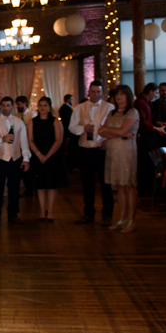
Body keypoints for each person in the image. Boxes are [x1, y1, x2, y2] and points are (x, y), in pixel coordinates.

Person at [68, 81, 116, 226]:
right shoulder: (79, 108)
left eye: (98, 91)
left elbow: (115, 128)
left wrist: (108, 141)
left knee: (105, 184)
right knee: (87, 185)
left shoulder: (110, 108)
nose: (95, 94)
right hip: (85, 150)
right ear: (89, 92)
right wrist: (83, 128)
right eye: (93, 91)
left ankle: (107, 215)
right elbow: (72, 127)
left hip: (102, 150)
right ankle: (88, 214)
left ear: (102, 93)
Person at [98, 85, 139, 233]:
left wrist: (110, 130)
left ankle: (132, 221)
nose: (119, 97)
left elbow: (119, 130)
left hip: (126, 152)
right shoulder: (112, 113)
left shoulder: (132, 112)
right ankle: (122, 219)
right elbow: (100, 131)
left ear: (128, 96)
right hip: (113, 152)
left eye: (122, 94)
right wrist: (119, 134)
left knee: (129, 185)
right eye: (117, 94)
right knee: (119, 187)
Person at [0, 96, 30, 227]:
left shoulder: (19, 122)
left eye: (8, 105)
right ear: (0, 107)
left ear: (12, 106)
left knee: (14, 189)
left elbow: (24, 142)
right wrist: (1, 140)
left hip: (15, 159)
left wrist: (26, 159)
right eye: (3, 105)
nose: (5, 108)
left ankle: (13, 214)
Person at [27, 96, 68, 221]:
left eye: (45, 105)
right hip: (37, 155)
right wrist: (39, 154)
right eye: (40, 106)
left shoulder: (56, 121)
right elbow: (30, 140)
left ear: (49, 107)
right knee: (40, 185)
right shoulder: (32, 121)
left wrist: (47, 156)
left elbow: (58, 140)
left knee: (51, 185)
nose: (42, 108)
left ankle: (50, 211)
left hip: (53, 156)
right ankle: (41, 211)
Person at [135, 83, 166, 197]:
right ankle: (144, 189)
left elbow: (150, 119)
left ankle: (150, 188)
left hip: (150, 135)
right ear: (150, 91)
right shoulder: (140, 103)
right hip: (145, 137)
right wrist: (157, 129)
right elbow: (143, 122)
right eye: (156, 92)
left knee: (151, 162)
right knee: (145, 162)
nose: (157, 95)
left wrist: (158, 124)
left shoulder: (147, 103)